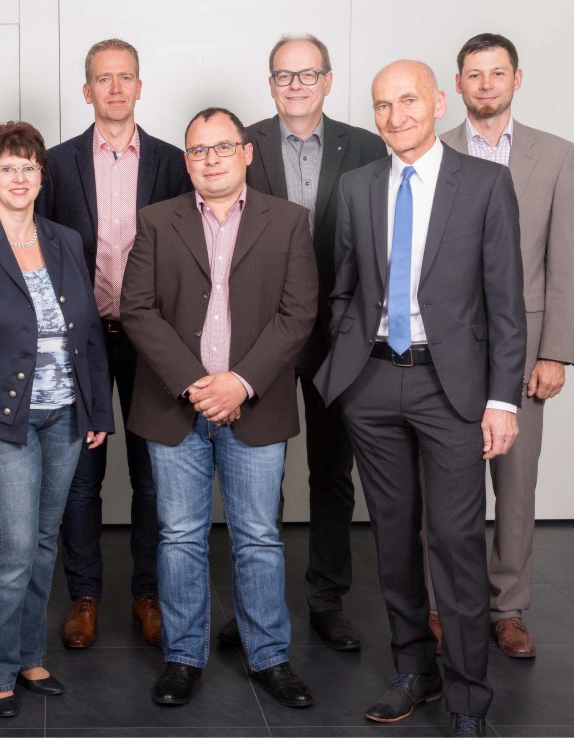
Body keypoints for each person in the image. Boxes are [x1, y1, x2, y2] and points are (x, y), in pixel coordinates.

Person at [314, 61, 525, 738]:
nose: (395, 115)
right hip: (372, 381)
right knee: (392, 536)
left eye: (407, 100)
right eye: (382, 105)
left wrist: (503, 400)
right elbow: (344, 286)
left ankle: (467, 698)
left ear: (438, 102)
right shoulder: (357, 186)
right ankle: (415, 670)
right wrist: (348, 363)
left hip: (452, 387)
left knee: (457, 543)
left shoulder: (485, 183)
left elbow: (507, 303)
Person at [122, 107, 318, 709]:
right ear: (187, 161)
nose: (211, 160)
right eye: (198, 150)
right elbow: (137, 309)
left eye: (222, 147)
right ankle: (183, 656)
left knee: (258, 537)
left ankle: (270, 657)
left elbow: (298, 314)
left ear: (247, 153)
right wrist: (195, 384)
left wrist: (240, 383)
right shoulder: (157, 220)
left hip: (255, 406)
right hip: (174, 406)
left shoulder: (289, 221)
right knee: (180, 537)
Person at [0, 121, 113, 719]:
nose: (18, 177)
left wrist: (97, 407)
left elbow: (88, 332)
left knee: (41, 543)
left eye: (28, 167)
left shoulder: (65, 240)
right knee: (8, 550)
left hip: (65, 415)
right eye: (7, 167)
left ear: (41, 176)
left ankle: (30, 655)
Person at [217, 34, 386, 653]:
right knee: (254, 473)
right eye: (283, 75)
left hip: (338, 332)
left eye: (307, 74)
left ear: (328, 80)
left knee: (331, 470)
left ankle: (326, 599)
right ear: (270, 84)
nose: (295, 85)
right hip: (259, 331)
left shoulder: (365, 147)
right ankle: (254, 603)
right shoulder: (243, 144)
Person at [38, 37, 192, 650]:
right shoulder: (57, 163)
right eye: (104, 78)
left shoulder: (173, 162)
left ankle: (147, 593)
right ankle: (85, 596)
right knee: (82, 474)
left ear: (140, 86)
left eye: (125, 76)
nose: (116, 87)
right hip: (81, 340)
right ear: (87, 91)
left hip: (154, 340)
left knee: (154, 474)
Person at [429, 32, 573, 659]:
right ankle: (440, 605)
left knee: (515, 487)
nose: (485, 84)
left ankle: (507, 608)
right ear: (457, 83)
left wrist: (555, 351)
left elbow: (564, 260)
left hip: (526, 348)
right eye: (474, 74)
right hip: (448, 349)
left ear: (517, 78)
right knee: (442, 484)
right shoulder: (434, 150)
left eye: (497, 73)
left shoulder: (558, 156)